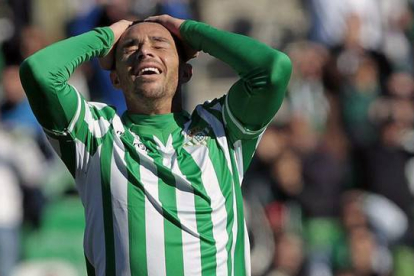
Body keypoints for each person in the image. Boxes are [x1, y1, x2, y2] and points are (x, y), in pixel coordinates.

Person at [19, 14, 292, 276]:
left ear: (186, 72)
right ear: (115, 78)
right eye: (130, 47)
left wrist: (191, 31)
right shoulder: (96, 134)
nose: (144, 52)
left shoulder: (221, 129)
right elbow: (40, 73)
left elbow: (273, 70)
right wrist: (107, 35)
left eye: (159, 44)